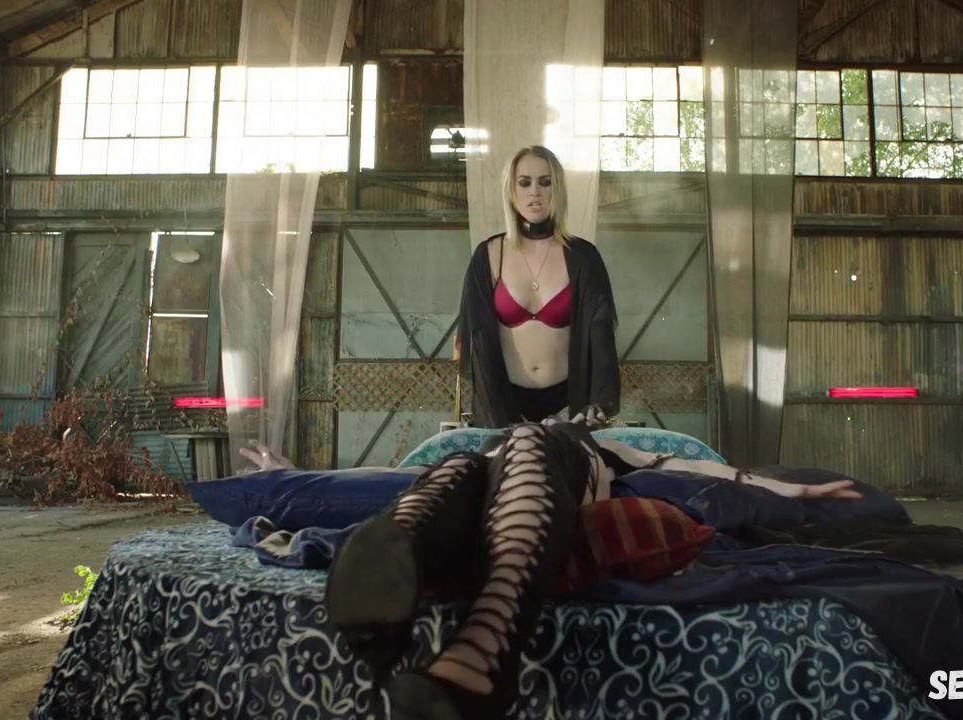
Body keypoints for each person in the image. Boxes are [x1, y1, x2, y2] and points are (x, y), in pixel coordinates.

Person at [288, 415, 863, 720]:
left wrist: (784, 488)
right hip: (482, 488)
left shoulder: (600, 445)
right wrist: (290, 472)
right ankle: (461, 621)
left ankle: (411, 557)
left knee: (499, 451)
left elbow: (696, 468)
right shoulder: (491, 447)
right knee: (462, 466)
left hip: (533, 475)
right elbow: (386, 474)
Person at [457, 146, 620, 428]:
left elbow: (602, 335)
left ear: (557, 190)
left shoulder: (584, 258)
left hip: (570, 408)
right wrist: (492, 414)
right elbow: (478, 342)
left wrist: (600, 403)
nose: (535, 192)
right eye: (525, 183)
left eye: (545, 182)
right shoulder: (488, 256)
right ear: (511, 190)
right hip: (506, 407)